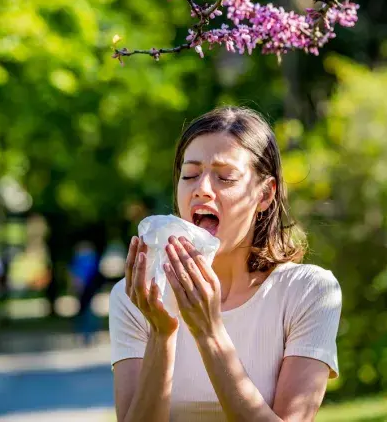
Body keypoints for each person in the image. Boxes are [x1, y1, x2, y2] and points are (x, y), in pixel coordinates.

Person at [109, 106, 343, 421]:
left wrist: (208, 331)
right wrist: (161, 334)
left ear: (265, 194)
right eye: (189, 175)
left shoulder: (309, 292)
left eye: (225, 177)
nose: (201, 189)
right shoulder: (135, 297)